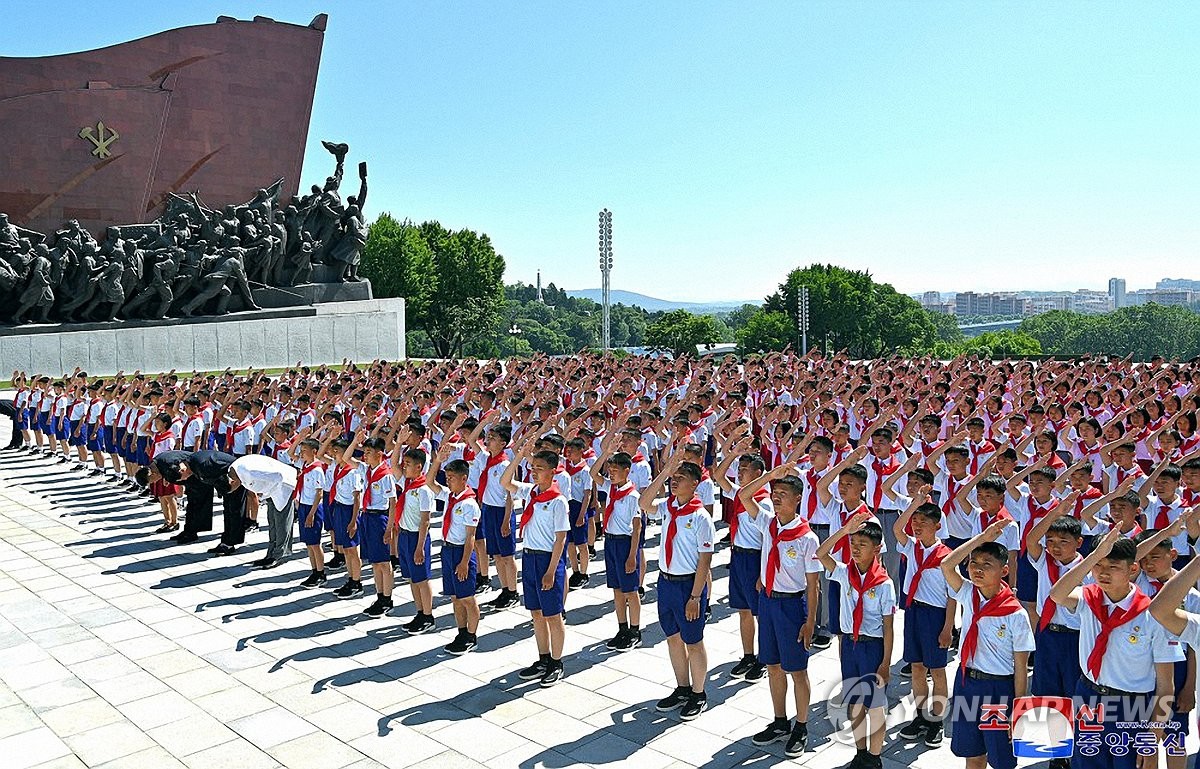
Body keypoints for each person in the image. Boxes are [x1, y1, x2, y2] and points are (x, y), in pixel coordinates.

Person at [1047, 529, 1182, 769]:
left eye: (1113, 566)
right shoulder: (1088, 600)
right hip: (1088, 697)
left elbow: (1165, 685)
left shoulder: (1154, 615)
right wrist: (1092, 556)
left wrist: (1153, 738)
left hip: (1131, 708)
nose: (1103, 572)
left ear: (1133, 569)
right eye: (1098, 565)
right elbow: (1057, 594)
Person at [739, 463, 822, 757]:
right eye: (774, 493)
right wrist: (769, 476)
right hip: (769, 602)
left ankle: (801, 726)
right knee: (773, 665)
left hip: (791, 604)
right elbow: (744, 496)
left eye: (783, 493)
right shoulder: (768, 524)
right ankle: (779, 721)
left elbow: (813, 585)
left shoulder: (806, 537)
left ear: (797, 498)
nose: (776, 498)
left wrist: (810, 621)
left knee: (796, 670)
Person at [941, 521, 1034, 769]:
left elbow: (1021, 667)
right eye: (974, 563)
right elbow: (947, 564)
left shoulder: (1015, 614)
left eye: (986, 565)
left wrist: (1019, 707)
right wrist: (980, 538)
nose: (977, 570)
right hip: (967, 683)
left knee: (1001, 759)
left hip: (998, 689)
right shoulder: (968, 593)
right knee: (973, 753)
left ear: (1004, 571)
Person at [642, 451, 715, 721]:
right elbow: (644, 501)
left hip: (688, 585)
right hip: (666, 581)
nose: (675, 482)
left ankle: (699, 693)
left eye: (681, 478)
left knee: (693, 641)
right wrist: (664, 472)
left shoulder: (700, 517)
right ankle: (682, 687)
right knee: (673, 638)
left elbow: (705, 560)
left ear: (695, 484)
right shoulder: (668, 507)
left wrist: (696, 596)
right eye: (674, 478)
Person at [818, 512, 895, 769]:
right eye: (853, 544)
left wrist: (885, 662)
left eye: (862, 545)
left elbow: (889, 627)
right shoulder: (844, 573)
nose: (856, 549)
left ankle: (875, 757)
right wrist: (843, 531)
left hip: (872, 647)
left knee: (875, 704)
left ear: (877, 549)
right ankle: (860, 752)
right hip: (851, 645)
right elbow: (821, 554)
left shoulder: (884, 584)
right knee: (854, 701)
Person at [500, 435, 571, 687]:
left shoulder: (557, 501)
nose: (534, 473)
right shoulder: (531, 493)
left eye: (539, 469)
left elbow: (561, 539)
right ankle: (542, 658)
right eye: (533, 468)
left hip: (547, 560)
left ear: (553, 472)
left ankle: (556, 662)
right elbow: (504, 481)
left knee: (553, 615)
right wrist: (520, 456)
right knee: (536, 613)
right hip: (529, 557)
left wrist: (552, 571)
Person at [893, 493, 954, 748]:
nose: (917, 526)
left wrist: (948, 628)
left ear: (937, 526)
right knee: (917, 667)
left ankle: (936, 720)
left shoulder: (946, 555)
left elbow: (953, 597)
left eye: (923, 522)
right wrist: (914, 505)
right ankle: (919, 716)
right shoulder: (911, 546)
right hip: (914, 613)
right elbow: (897, 528)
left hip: (935, 616)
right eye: (915, 521)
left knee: (937, 671)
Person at [589, 438, 643, 651]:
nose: (611, 474)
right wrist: (605, 453)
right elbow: (593, 474)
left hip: (625, 544)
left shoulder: (633, 496)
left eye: (615, 470)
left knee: (631, 590)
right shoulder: (611, 489)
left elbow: (637, 528)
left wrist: (632, 556)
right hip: (611, 542)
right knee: (617, 590)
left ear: (627, 471)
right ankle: (622, 628)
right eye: (610, 470)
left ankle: (635, 630)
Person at [426, 448, 481, 654]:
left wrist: (465, 562)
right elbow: (430, 482)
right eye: (447, 477)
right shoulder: (450, 496)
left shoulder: (469, 504)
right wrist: (437, 462)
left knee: (467, 597)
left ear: (464, 478)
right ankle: (461, 632)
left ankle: (472, 635)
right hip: (448, 550)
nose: (448, 481)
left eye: (451, 478)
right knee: (455, 597)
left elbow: (471, 537)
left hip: (461, 553)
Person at [392, 447, 436, 634]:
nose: (404, 466)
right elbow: (393, 464)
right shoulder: (408, 484)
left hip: (418, 538)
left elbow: (425, 520)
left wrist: (420, 547)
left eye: (408, 464)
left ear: (419, 467)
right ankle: (419, 612)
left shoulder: (424, 490)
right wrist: (399, 442)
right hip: (404, 535)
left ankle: (428, 616)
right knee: (411, 577)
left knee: (422, 579)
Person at [229, 453, 297, 570]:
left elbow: (278, 476)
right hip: (271, 491)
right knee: (272, 522)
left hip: (283, 486)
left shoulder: (248, 473)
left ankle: (279, 555)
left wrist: (264, 492)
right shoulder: (234, 471)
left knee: (282, 522)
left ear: (232, 482)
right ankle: (270, 553)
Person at [289, 436, 329, 588]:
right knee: (308, 544)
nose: (301, 453)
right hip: (304, 506)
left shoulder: (317, 469)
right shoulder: (305, 465)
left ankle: (321, 573)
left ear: (314, 451)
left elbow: (319, 494)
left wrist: (311, 514)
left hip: (313, 508)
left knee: (315, 543)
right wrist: (299, 438)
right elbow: (290, 453)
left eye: (304, 450)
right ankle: (314, 571)